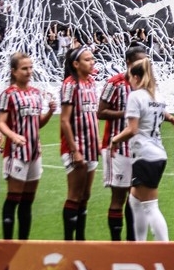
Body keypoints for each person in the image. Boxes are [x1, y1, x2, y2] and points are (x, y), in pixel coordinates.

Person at [109, 58, 174, 241]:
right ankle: (140, 245)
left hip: (144, 155)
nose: (129, 82)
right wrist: (171, 118)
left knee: (150, 206)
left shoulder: (136, 96)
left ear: (136, 77)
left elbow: (132, 129)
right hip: (158, 154)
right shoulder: (157, 96)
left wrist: (114, 140)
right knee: (134, 200)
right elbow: (159, 113)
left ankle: (163, 247)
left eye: (130, 78)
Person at [0, 52, 56, 240]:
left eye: (30, 67)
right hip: (16, 154)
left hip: (34, 153)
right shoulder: (9, 94)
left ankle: (23, 246)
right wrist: (13, 136)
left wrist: (50, 113)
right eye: (24, 68)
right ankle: (8, 246)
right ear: (14, 71)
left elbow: (37, 123)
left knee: (27, 202)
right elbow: (1, 123)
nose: (29, 71)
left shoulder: (35, 93)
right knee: (13, 198)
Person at [98, 44, 148, 241]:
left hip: (139, 149)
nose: (144, 64)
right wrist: (128, 114)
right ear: (128, 62)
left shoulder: (145, 84)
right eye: (140, 60)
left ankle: (132, 243)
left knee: (135, 199)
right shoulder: (115, 83)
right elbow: (100, 112)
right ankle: (116, 245)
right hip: (117, 148)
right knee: (118, 198)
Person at [60, 46, 101, 241]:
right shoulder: (70, 84)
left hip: (92, 147)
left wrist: (98, 141)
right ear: (76, 64)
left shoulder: (91, 82)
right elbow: (65, 120)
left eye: (92, 59)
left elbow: (92, 115)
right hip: (76, 148)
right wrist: (74, 150)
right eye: (87, 60)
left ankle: (81, 241)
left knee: (86, 195)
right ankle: (69, 244)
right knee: (74, 196)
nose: (92, 62)